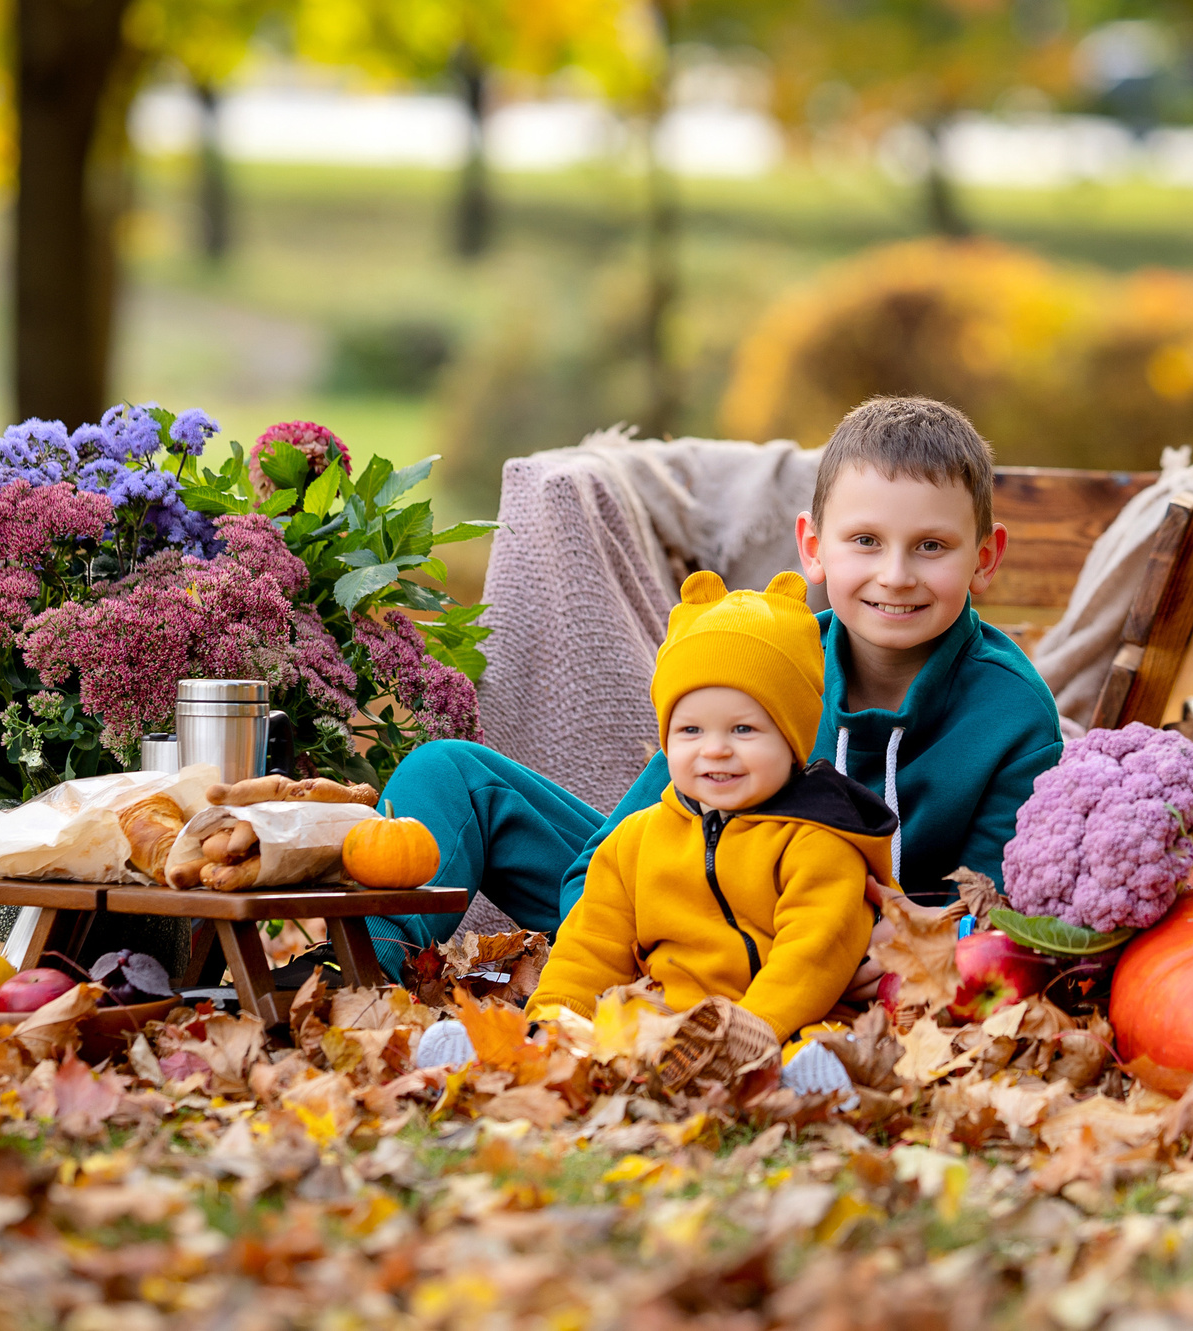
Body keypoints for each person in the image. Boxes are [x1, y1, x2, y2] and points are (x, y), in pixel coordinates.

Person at [364, 394, 1065, 977]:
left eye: (932, 546)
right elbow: (609, 854)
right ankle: (364, 975)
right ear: (813, 547)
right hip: (683, 915)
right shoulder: (764, 657)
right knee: (447, 771)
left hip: (846, 963)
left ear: (985, 556)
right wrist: (620, 943)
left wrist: (854, 952)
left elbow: (988, 910)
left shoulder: (1012, 712)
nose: (896, 574)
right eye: (865, 541)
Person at [526, 570, 895, 1041]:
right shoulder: (635, 842)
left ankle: (813, 1081)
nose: (715, 749)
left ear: (792, 739)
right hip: (667, 1025)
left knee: (814, 1056)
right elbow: (589, 945)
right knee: (601, 1044)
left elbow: (813, 955)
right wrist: (557, 1017)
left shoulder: (817, 838)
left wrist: (750, 1032)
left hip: (785, 1026)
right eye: (691, 731)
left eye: (743, 729)